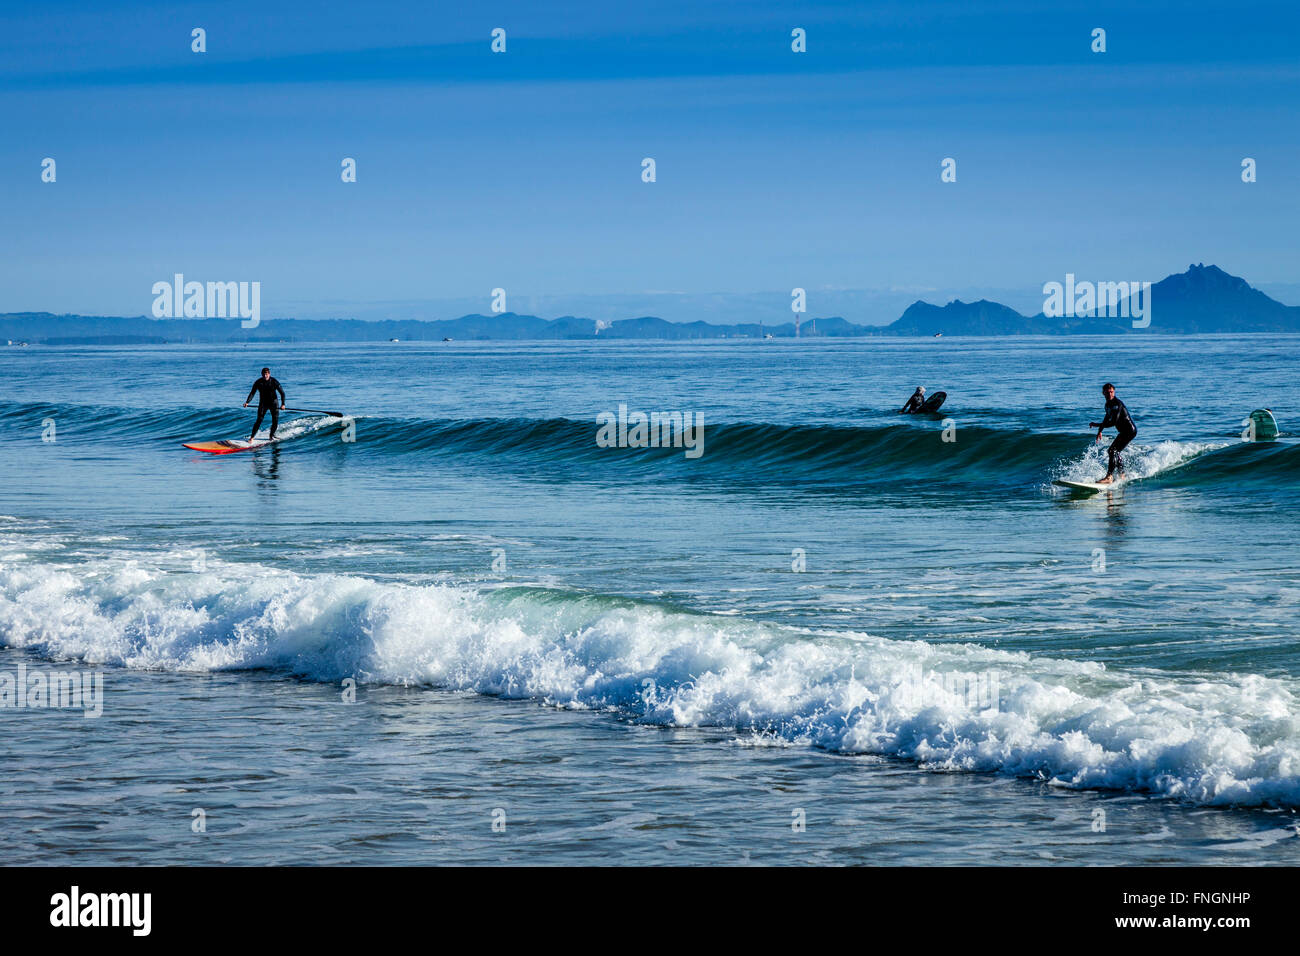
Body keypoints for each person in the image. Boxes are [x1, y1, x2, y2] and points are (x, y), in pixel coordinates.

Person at [1089, 382, 1137, 484]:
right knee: (1115, 451)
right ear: (1103, 393)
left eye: (1111, 392)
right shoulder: (1107, 405)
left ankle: (1109, 477)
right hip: (1124, 431)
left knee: (1112, 451)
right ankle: (1122, 475)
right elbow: (1107, 418)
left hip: (1129, 431)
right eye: (1107, 392)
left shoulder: (1117, 404)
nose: (1110, 394)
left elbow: (1113, 421)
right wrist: (1100, 431)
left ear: (1114, 392)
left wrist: (1097, 425)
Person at [243, 367, 286, 441]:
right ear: (261, 374)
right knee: (259, 420)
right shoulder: (258, 382)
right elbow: (252, 393)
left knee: (275, 421)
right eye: (263, 374)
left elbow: (282, 393)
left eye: (266, 374)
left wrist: (283, 404)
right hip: (263, 403)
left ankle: (271, 436)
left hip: (273, 403)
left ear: (269, 374)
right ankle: (252, 438)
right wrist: (247, 402)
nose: (265, 376)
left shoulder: (274, 381)